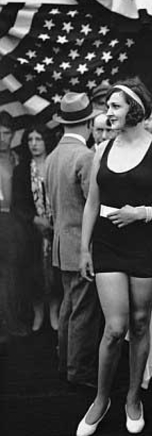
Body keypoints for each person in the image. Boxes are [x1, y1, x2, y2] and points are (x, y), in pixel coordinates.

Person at [76, 78, 152, 436]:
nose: (108, 113)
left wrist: (141, 213)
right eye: (108, 107)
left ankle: (133, 398)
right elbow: (92, 202)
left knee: (139, 323)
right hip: (108, 243)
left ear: (134, 110)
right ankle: (101, 399)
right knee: (114, 328)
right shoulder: (102, 148)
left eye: (115, 106)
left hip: (146, 242)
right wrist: (84, 248)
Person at [45, 92, 102, 389]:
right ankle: (79, 370)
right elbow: (94, 204)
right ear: (89, 123)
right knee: (83, 311)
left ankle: (65, 364)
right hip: (83, 245)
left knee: (70, 306)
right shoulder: (85, 156)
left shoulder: (53, 156)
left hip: (61, 243)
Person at [12, 123, 61, 332]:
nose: (34, 144)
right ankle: (38, 314)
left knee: (56, 273)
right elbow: (17, 204)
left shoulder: (56, 165)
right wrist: (34, 219)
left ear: (46, 141)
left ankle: (54, 313)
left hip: (57, 229)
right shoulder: (22, 170)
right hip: (32, 232)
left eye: (38, 139)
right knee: (34, 274)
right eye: (30, 140)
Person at [0, 111, 27, 336]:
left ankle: (12, 322)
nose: (2, 138)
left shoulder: (18, 158)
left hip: (15, 221)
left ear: (13, 134)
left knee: (13, 272)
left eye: (6, 133)